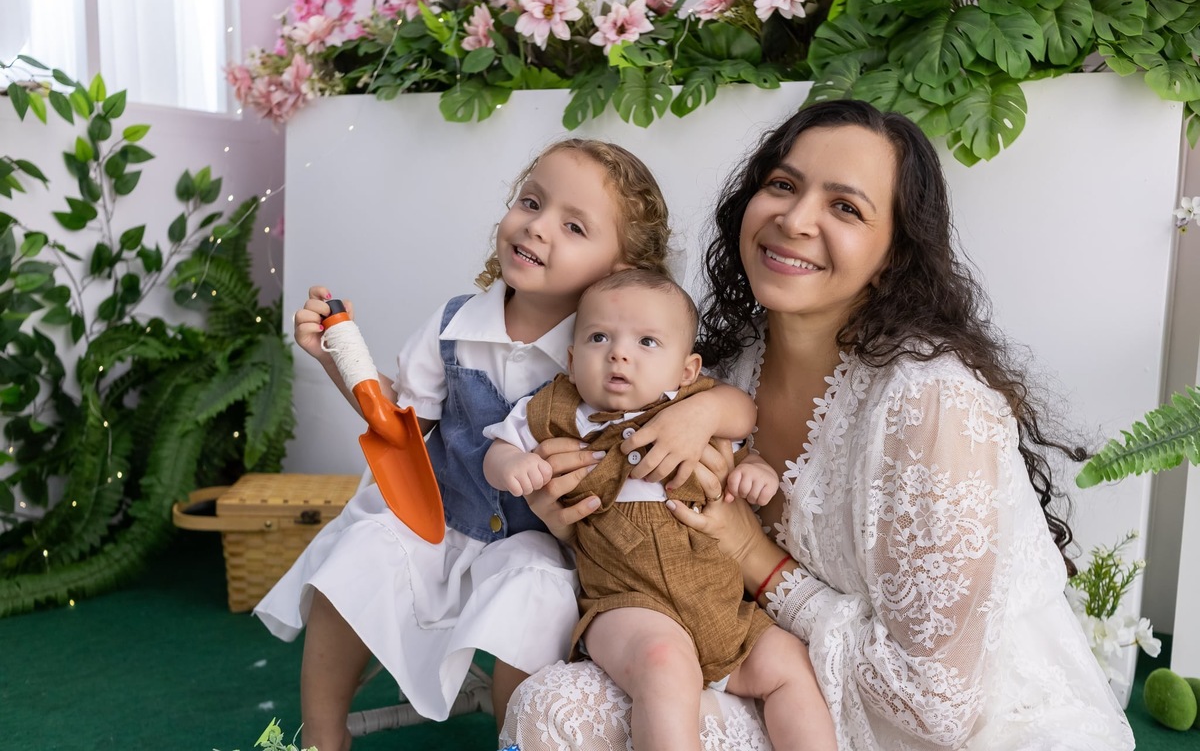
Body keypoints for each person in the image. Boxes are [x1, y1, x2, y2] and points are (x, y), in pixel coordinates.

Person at [501, 101, 1136, 750]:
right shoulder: (722, 368)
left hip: (962, 727)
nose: (795, 219)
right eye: (782, 185)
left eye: (846, 207)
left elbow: (939, 706)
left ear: (895, 254)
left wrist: (754, 556)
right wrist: (570, 513)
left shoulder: (932, 405)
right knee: (555, 709)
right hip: (790, 681)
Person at [254, 139, 691, 751]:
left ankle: (518, 736)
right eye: (530, 202)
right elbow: (400, 421)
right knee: (361, 553)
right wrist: (338, 359)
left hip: (537, 538)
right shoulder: (454, 324)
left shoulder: (618, 354)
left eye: (573, 225)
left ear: (622, 268)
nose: (537, 227)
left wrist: (712, 413)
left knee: (533, 595)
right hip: (443, 516)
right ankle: (321, 740)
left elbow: (694, 401)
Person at [483, 269, 836, 751]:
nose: (619, 353)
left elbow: (740, 421)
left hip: (720, 606)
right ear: (571, 358)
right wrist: (512, 466)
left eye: (647, 341)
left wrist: (753, 470)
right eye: (599, 337)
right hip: (627, 602)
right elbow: (499, 444)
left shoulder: (690, 407)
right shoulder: (561, 408)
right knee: (664, 663)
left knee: (790, 666)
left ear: (687, 370)